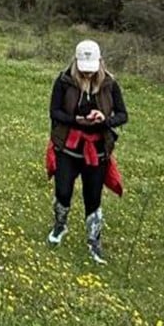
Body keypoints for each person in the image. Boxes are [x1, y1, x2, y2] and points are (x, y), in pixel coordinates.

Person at [45, 40, 127, 264]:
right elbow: (54, 112)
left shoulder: (110, 84)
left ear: (99, 63)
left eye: (91, 69)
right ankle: (60, 225)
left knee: (93, 197)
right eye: (83, 68)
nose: (87, 73)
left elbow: (123, 115)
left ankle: (94, 241)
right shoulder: (64, 81)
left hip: (97, 150)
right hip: (68, 148)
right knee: (63, 191)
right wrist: (75, 120)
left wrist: (105, 120)